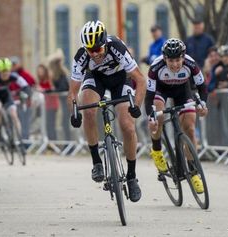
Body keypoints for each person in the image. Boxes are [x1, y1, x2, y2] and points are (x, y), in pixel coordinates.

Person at [67, 20, 146, 202]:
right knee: (88, 111)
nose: (94, 54)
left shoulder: (117, 47)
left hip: (120, 80)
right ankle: (97, 162)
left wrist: (137, 106)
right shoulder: (81, 55)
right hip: (96, 80)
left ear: (104, 43)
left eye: (97, 49)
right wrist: (74, 112)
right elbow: (72, 90)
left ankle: (132, 176)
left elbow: (140, 80)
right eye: (90, 50)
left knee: (127, 125)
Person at [144, 38, 208, 194]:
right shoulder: (155, 67)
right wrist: (151, 117)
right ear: (165, 58)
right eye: (171, 60)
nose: (175, 64)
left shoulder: (191, 64)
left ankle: (193, 172)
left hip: (182, 91)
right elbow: (149, 96)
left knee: (190, 129)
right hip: (161, 91)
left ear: (183, 57)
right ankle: (157, 150)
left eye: (178, 60)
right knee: (158, 116)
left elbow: (202, 87)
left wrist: (203, 105)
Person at [0, 58, 31, 146]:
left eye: (7, 72)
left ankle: (19, 138)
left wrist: (25, 94)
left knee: (13, 114)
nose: (6, 74)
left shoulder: (13, 76)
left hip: (5, 95)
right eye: (3, 73)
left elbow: (25, 86)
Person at [36, 64, 59, 140]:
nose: (40, 72)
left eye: (41, 71)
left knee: (51, 125)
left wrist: (44, 90)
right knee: (45, 125)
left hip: (51, 105)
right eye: (38, 71)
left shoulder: (50, 79)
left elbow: (53, 89)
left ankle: (53, 142)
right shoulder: (39, 81)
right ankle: (48, 142)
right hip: (44, 106)